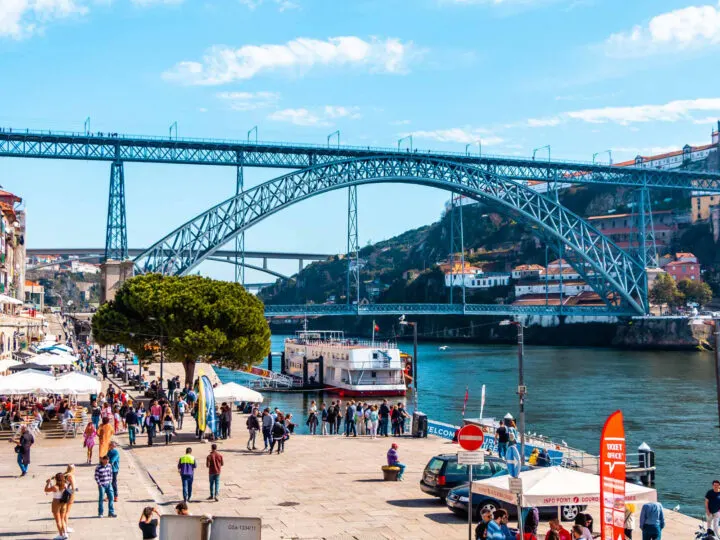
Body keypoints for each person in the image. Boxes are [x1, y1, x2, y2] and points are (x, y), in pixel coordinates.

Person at [45, 472, 69, 540]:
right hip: (63, 502)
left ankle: (61, 535)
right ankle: (65, 533)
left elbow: (46, 490)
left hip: (56, 502)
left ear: (56, 479)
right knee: (62, 519)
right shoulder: (65, 485)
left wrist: (48, 483)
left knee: (58, 521)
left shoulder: (55, 487)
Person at [63, 464, 77, 534]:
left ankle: (64, 526)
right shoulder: (71, 476)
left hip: (63, 494)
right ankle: (66, 527)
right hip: (70, 494)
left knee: (64, 511)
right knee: (67, 512)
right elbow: (73, 487)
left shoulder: (64, 475)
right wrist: (73, 494)